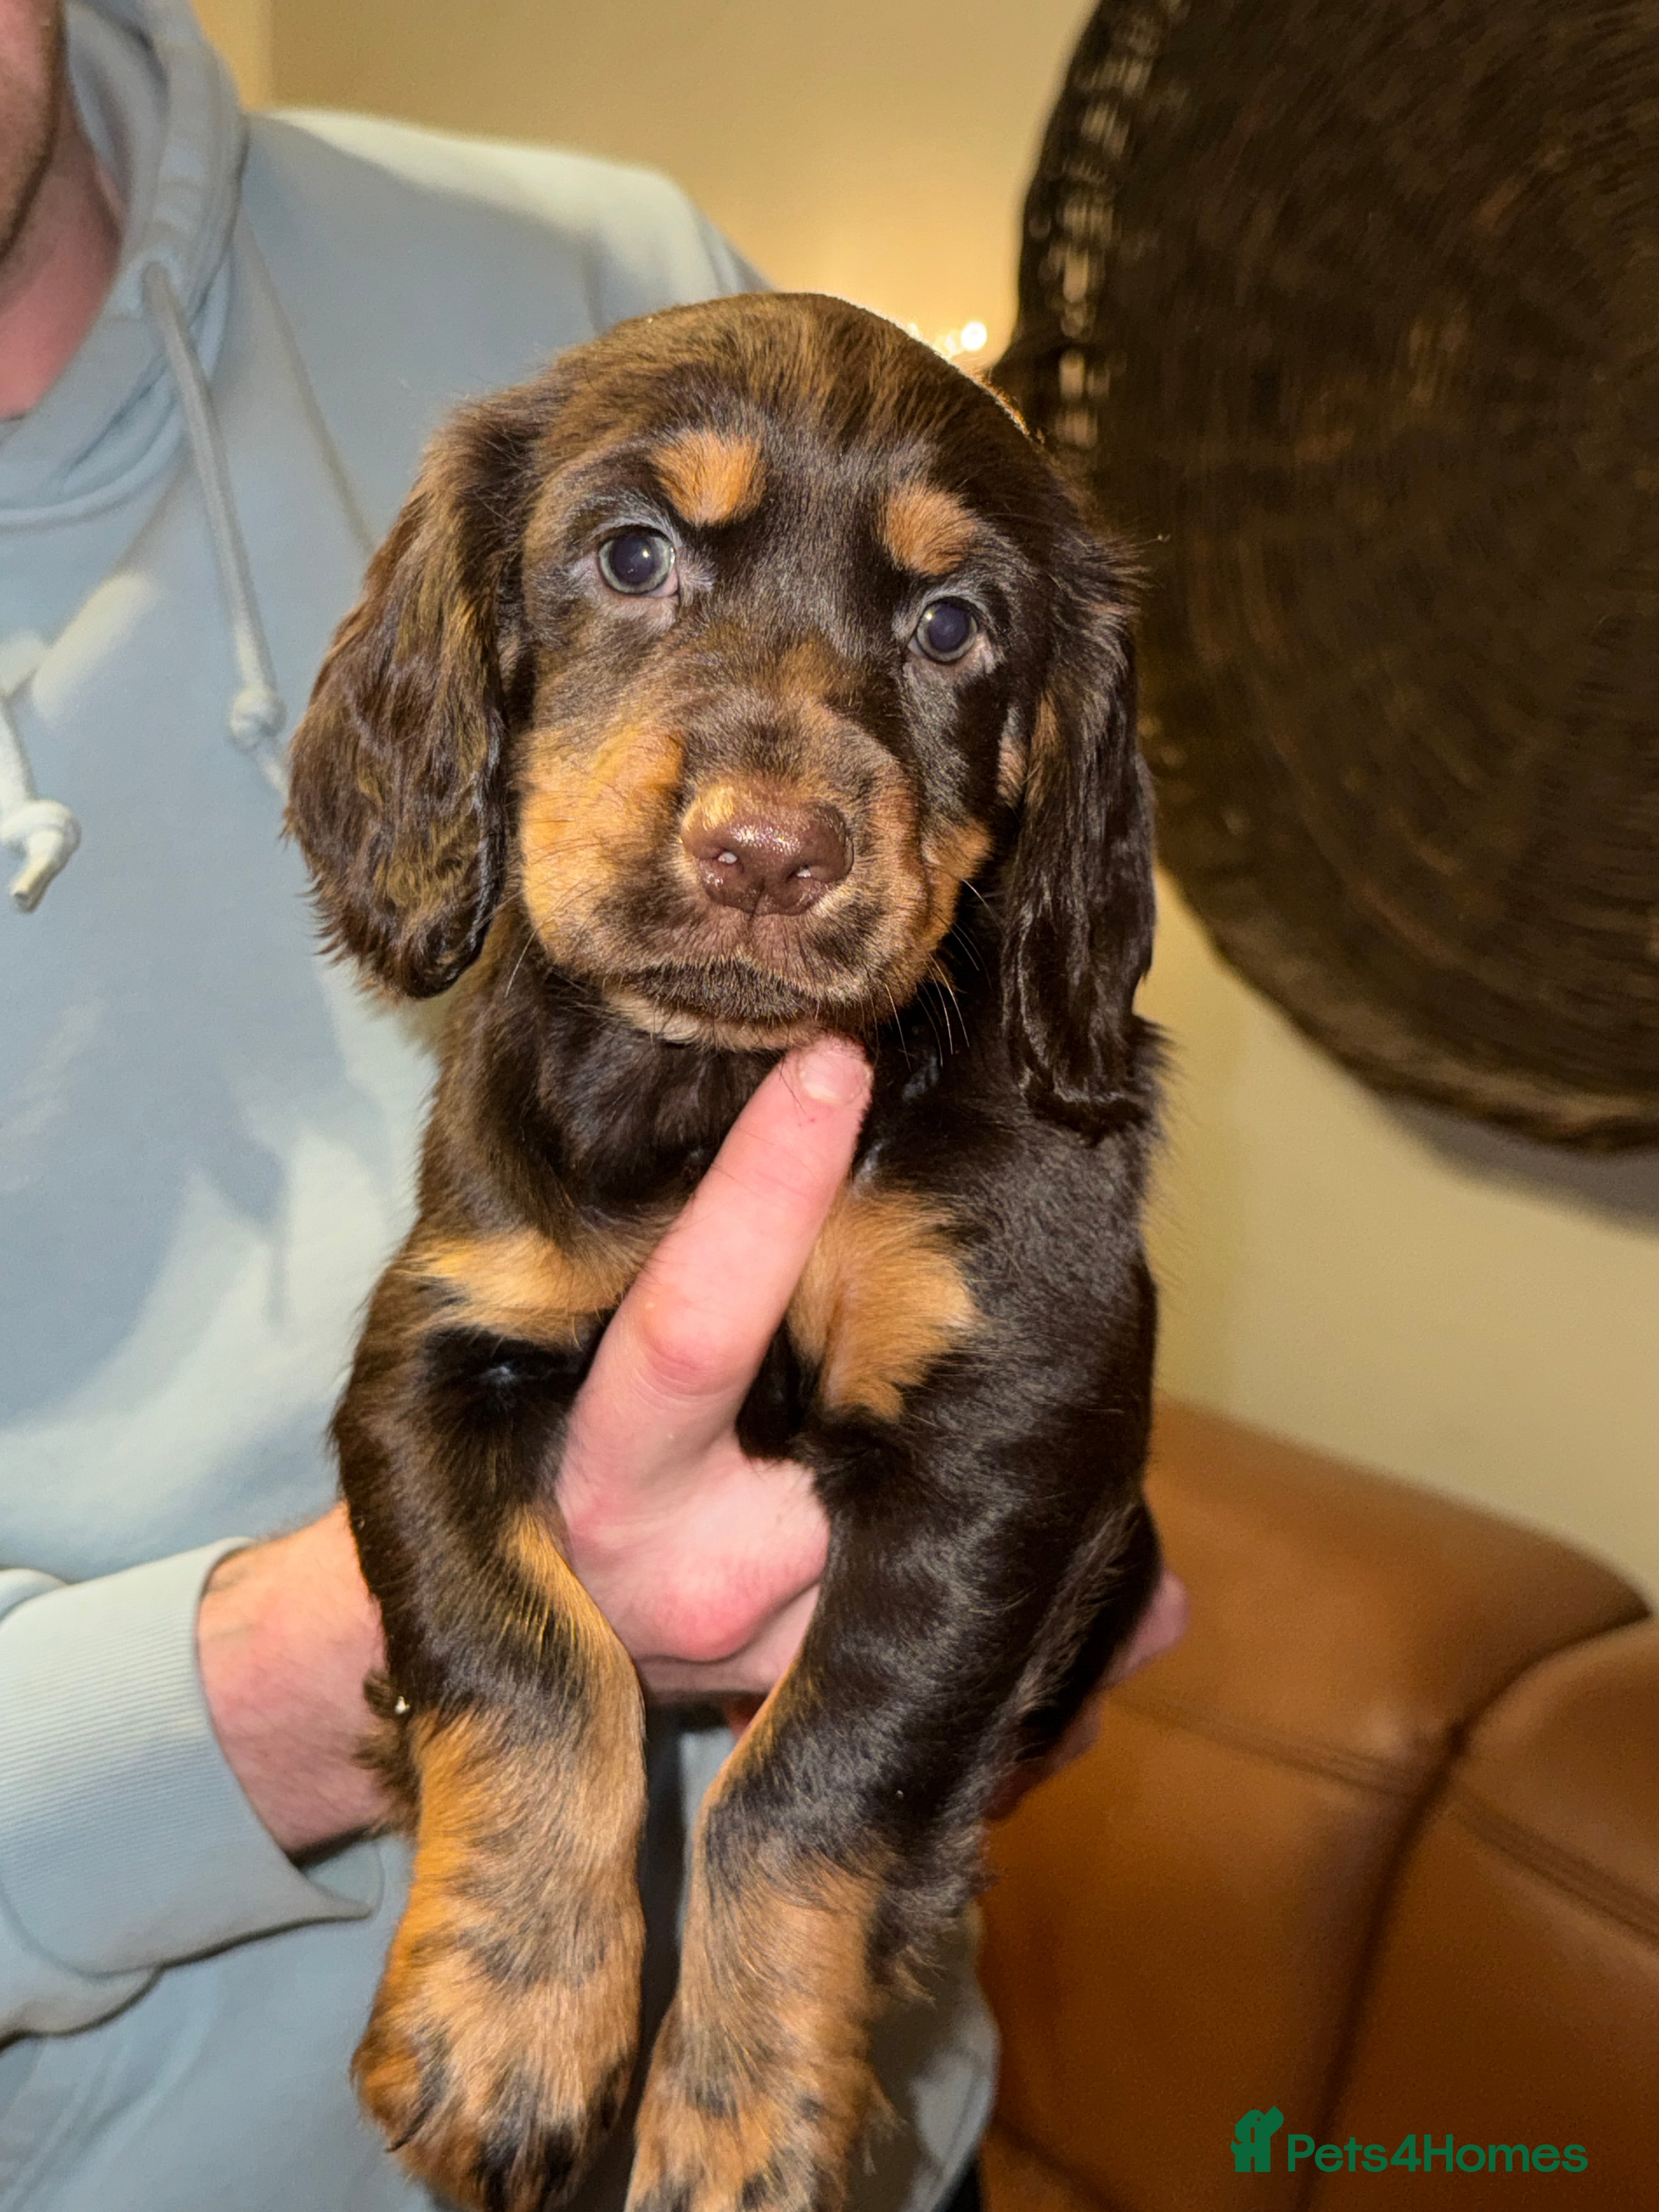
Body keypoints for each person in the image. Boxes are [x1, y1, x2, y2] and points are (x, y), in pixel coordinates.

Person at [0, 4, 1186, 2208]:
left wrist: (982, 1643)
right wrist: (433, 1681)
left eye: (939, 636)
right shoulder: (518, 1137)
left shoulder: (604, 263)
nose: (770, 818)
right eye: (639, 567)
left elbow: (1046, 1499)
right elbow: (441, 1403)